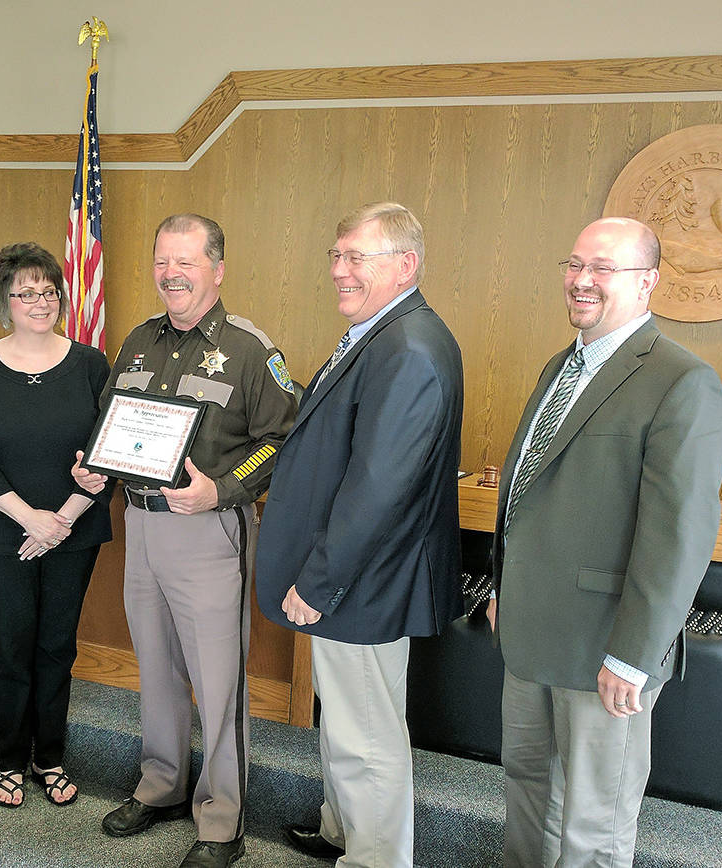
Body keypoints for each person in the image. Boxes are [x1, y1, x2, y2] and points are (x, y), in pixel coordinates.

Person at [490, 217, 722, 868]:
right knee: (527, 799)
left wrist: (634, 655)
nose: (582, 280)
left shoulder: (680, 380)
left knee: (593, 826)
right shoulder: (559, 367)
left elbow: (678, 535)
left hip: (607, 650)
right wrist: (506, 592)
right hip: (533, 633)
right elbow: (531, 492)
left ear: (648, 282)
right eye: (574, 265)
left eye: (603, 268)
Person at [72, 213, 297, 868]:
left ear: (217, 271)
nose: (171, 273)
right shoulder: (139, 341)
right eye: (162, 260)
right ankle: (163, 783)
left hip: (207, 530)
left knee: (217, 680)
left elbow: (285, 439)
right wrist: (94, 463)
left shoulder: (252, 350)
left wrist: (222, 490)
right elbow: (113, 425)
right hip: (139, 525)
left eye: (186, 262)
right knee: (158, 668)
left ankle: (222, 821)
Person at [255, 202, 464, 867]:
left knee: (367, 737)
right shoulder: (384, 333)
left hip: (360, 582)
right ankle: (342, 829)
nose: (340, 271)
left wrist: (318, 579)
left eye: (357, 258)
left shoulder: (409, 347)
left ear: (405, 265)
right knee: (345, 724)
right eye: (336, 256)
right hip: (355, 578)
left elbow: (379, 487)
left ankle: (374, 859)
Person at [0, 242, 113, 810]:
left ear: (62, 297)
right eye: (25, 293)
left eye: (48, 291)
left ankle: (51, 758)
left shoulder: (92, 364)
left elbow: (109, 452)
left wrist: (62, 520)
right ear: (4, 303)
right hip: (2, 534)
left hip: (75, 529)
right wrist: (30, 519)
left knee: (56, 647)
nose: (39, 301)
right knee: (13, 646)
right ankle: (11, 761)